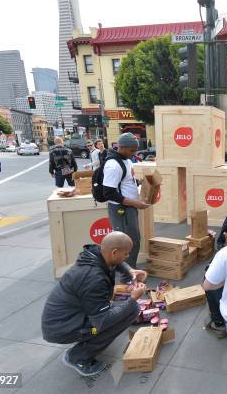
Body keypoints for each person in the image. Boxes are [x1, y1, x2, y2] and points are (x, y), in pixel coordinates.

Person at [41, 232, 147, 377]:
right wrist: (132, 298)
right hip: (62, 329)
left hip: (66, 319)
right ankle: (78, 357)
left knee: (126, 309)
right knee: (127, 311)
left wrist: (130, 270)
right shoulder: (93, 279)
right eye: (126, 254)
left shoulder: (98, 253)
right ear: (114, 252)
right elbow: (103, 321)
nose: (127, 257)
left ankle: (85, 343)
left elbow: (118, 261)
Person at [103, 133, 150, 281]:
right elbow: (109, 193)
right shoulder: (113, 165)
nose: (134, 153)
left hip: (129, 208)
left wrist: (142, 183)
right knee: (125, 244)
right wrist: (134, 203)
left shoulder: (127, 160)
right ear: (121, 147)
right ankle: (126, 278)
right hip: (121, 210)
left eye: (135, 150)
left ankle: (130, 271)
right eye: (131, 150)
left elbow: (128, 181)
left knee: (133, 241)